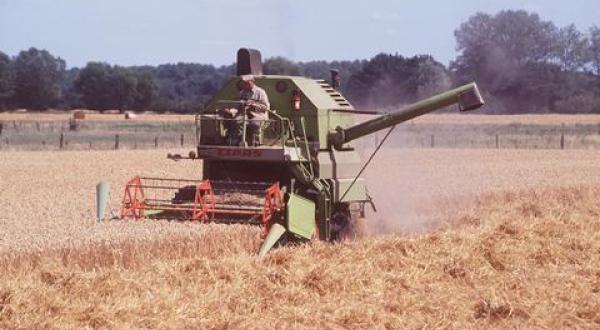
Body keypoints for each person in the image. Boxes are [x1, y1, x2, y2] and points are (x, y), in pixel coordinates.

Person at [239, 75, 270, 146]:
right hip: (244, 114)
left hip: (258, 114)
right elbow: (237, 107)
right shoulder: (241, 93)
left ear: (253, 82)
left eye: (248, 83)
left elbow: (266, 107)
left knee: (254, 123)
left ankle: (255, 143)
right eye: (244, 83)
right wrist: (230, 111)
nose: (246, 85)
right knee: (237, 121)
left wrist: (253, 105)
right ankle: (237, 142)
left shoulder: (260, 92)